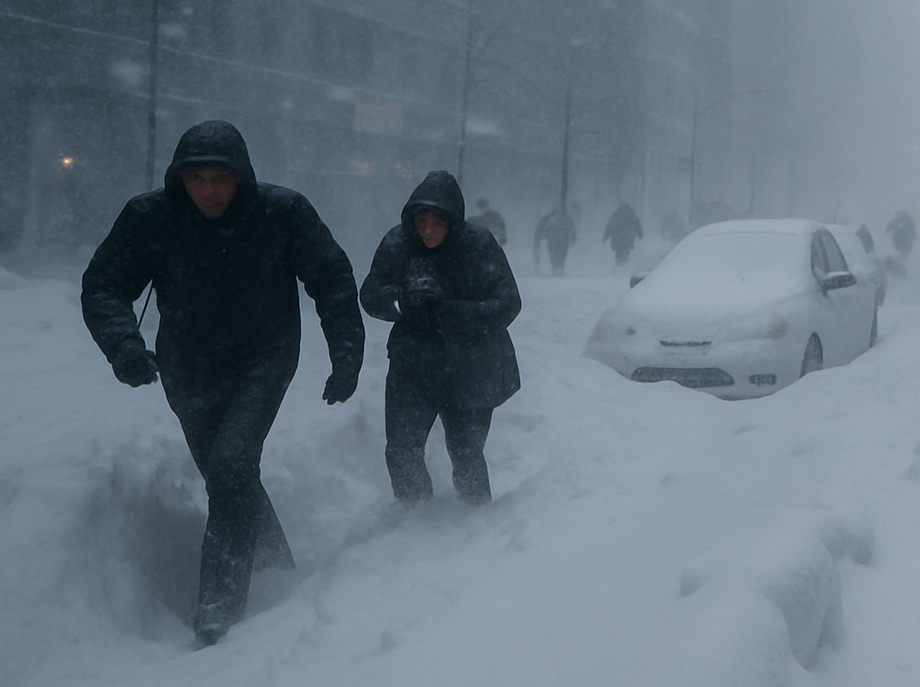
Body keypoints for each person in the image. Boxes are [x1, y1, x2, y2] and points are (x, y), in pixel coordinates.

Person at [80, 121, 364, 647]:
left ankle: (219, 605)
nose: (208, 190)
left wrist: (346, 355)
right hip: (188, 367)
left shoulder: (282, 213)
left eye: (220, 178)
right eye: (197, 178)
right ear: (180, 178)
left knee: (232, 464)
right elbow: (103, 285)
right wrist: (123, 345)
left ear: (241, 177)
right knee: (225, 472)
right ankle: (275, 565)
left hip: (265, 357)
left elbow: (331, 278)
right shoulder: (152, 218)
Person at [360, 170, 521, 508]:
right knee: (402, 448)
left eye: (437, 223)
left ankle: (475, 514)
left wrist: (453, 311)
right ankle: (417, 515)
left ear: (453, 222)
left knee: (466, 450)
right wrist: (404, 301)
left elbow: (508, 303)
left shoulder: (478, 245)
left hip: (470, 366)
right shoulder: (398, 244)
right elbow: (371, 295)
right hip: (413, 364)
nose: (428, 231)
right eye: (421, 222)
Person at [534, 207, 576, 274]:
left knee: (561, 254)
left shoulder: (566, 218)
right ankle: (556, 268)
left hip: (561, 239)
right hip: (555, 239)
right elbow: (542, 229)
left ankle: (559, 268)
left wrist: (572, 238)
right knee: (555, 253)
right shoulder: (549, 218)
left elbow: (571, 229)